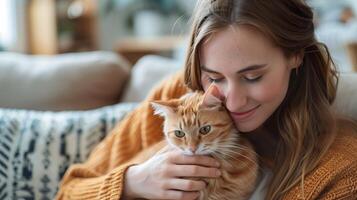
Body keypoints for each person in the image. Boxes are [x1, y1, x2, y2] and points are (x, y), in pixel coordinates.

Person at [56, 0, 357, 199]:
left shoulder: (341, 168)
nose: (233, 102)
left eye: (253, 77)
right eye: (213, 78)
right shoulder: (175, 99)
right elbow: (68, 192)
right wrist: (133, 182)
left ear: (295, 56)